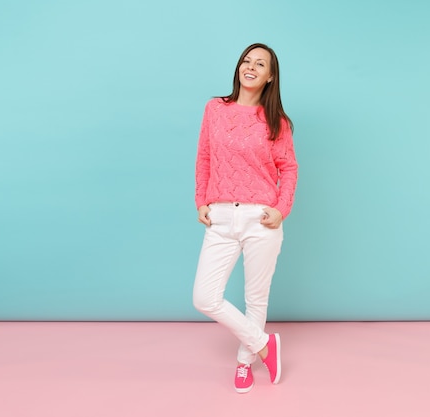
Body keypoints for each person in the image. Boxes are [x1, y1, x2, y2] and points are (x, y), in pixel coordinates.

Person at [192, 43, 298, 394]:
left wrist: (281, 209)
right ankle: (266, 346)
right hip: (221, 216)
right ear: (239, 68)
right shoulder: (215, 109)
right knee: (205, 297)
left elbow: (289, 168)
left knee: (257, 298)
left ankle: (244, 363)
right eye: (246, 61)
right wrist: (201, 200)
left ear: (270, 77)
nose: (250, 67)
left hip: (260, 218)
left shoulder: (277, 122)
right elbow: (205, 157)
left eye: (260, 64)